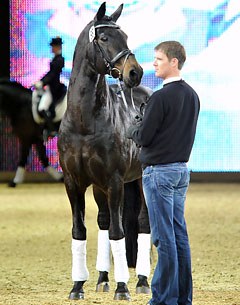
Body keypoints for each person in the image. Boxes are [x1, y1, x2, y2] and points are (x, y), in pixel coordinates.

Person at [126, 41, 200, 305]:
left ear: (174, 62)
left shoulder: (159, 96)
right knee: (179, 235)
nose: (154, 63)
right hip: (180, 172)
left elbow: (144, 137)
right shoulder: (191, 94)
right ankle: (182, 297)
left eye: (158, 59)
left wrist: (133, 128)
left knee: (163, 237)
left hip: (159, 174)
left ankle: (163, 299)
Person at [34, 36, 66, 136]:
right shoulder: (56, 59)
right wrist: (40, 81)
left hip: (54, 88)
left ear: (58, 47)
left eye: (53, 46)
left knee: (42, 107)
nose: (51, 48)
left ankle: (52, 130)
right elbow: (49, 73)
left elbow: (52, 75)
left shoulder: (60, 60)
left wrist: (42, 82)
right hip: (50, 86)